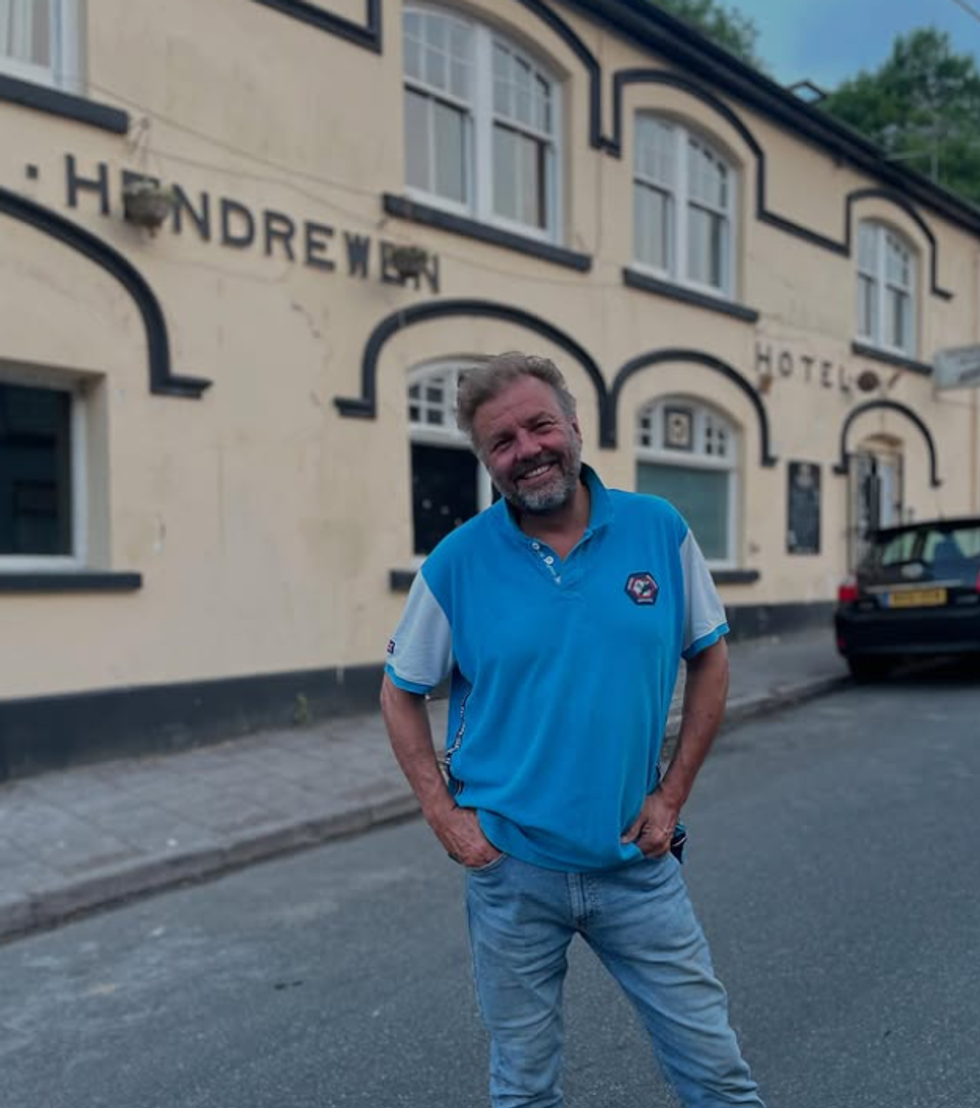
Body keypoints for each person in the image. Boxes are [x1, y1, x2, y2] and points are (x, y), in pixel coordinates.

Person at [380, 352, 767, 1108]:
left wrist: (672, 796)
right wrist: (444, 818)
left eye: (539, 425)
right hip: (512, 873)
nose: (526, 450)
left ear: (574, 424)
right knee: (524, 1089)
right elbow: (400, 693)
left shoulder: (658, 530)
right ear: (486, 459)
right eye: (502, 441)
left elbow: (711, 656)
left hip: (635, 863)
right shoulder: (456, 563)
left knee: (718, 1076)